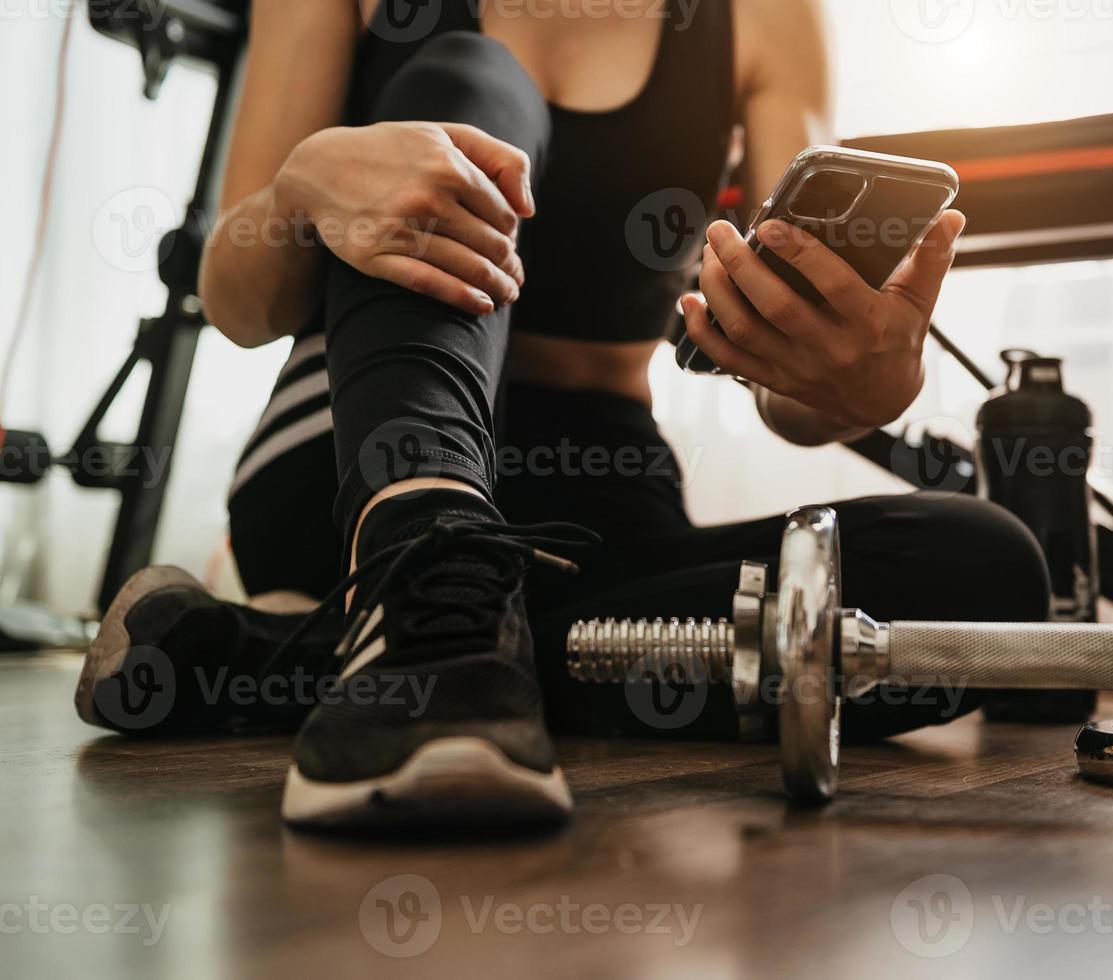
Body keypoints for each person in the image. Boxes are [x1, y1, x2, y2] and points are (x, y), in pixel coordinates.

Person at [74, 0, 1049, 832]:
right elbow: (241, 304)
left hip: (599, 494)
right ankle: (423, 553)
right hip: (357, 443)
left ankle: (284, 657)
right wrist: (301, 186)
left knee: (984, 574)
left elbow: (779, 361)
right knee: (471, 75)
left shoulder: (760, 13)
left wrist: (847, 385)